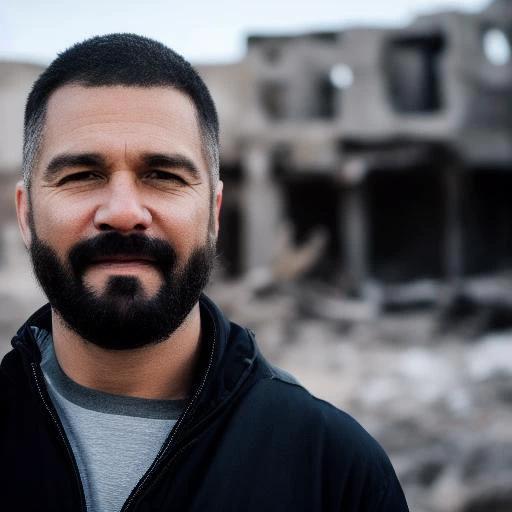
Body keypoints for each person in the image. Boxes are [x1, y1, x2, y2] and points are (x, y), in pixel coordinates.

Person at [0, 33, 409, 511]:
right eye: (82, 175)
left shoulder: (334, 470)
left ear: (214, 214)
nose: (124, 212)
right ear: (26, 216)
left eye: (164, 176)